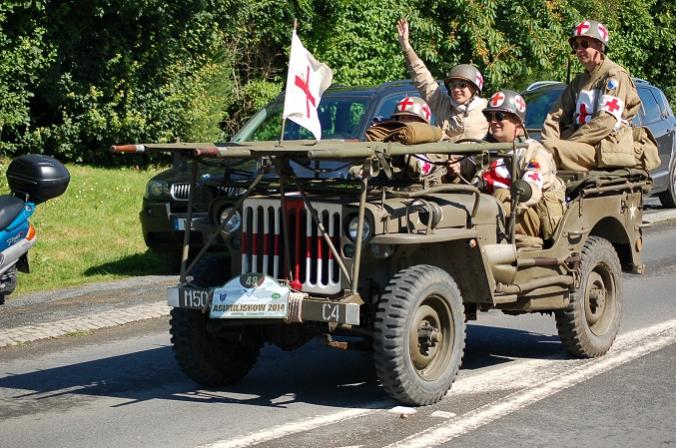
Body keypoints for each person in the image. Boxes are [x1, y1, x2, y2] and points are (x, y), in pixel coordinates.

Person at [541, 19, 641, 171]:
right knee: (535, 148)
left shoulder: (614, 76)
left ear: (600, 46)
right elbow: (555, 116)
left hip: (604, 146)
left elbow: (606, 122)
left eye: (585, 44)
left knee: (548, 148)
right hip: (580, 147)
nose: (579, 50)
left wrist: (569, 144)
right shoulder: (579, 82)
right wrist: (548, 140)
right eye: (576, 45)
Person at [480, 90, 566, 244]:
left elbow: (530, 189)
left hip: (521, 217)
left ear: (518, 123)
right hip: (488, 212)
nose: (493, 121)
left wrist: (499, 207)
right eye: (489, 116)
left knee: (501, 194)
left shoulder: (531, 151)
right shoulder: (484, 148)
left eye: (499, 116)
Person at [397, 18, 488, 142]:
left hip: (476, 160)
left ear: (474, 88)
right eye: (452, 85)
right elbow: (423, 79)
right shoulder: (442, 105)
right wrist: (406, 46)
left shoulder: (487, 110)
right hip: (444, 160)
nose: (456, 89)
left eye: (462, 85)